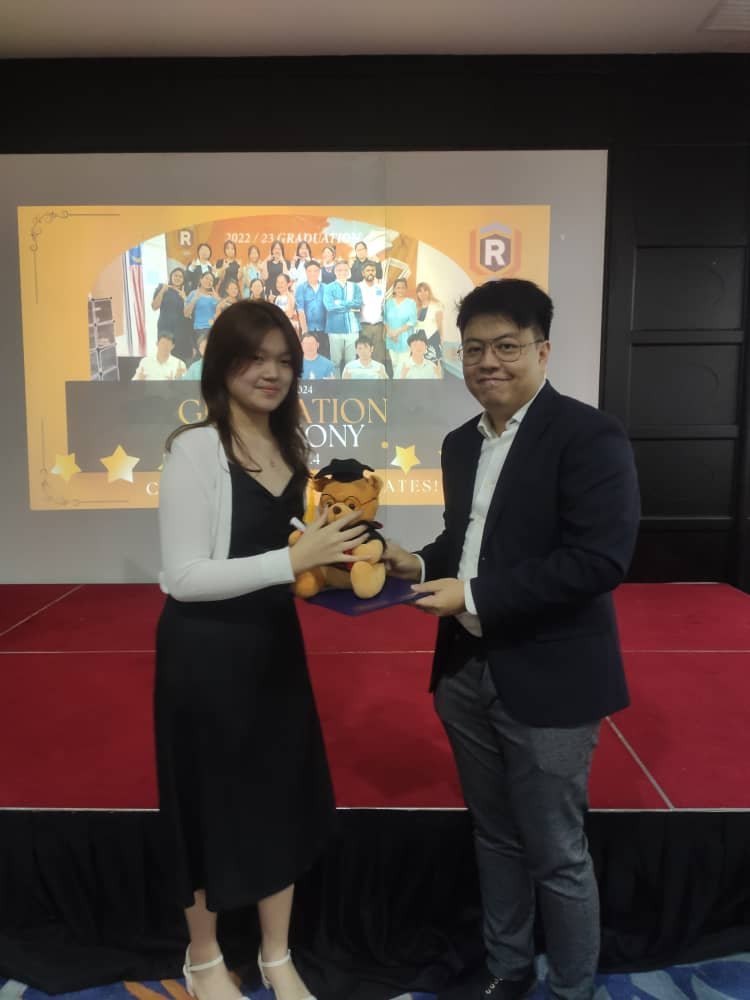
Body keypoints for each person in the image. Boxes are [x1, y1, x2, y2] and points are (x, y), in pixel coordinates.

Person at [384, 278, 640, 1000]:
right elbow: (467, 542)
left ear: (542, 350)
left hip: (551, 675)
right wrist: (416, 563)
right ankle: (507, 968)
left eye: (506, 346)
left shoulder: (589, 436)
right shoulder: (460, 444)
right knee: (494, 835)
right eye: (474, 349)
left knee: (556, 852)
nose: (488, 362)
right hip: (464, 670)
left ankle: (572, 990)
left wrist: (471, 595)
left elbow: (599, 560)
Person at [156, 299, 369, 1000]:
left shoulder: (291, 450)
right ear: (223, 366)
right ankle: (204, 959)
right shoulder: (195, 449)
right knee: (206, 804)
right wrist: (292, 561)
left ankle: (277, 956)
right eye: (255, 358)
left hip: (274, 649)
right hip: (205, 657)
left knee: (281, 798)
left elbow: (291, 566)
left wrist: (342, 571)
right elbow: (183, 578)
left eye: (284, 361)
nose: (271, 373)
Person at [323, 259, 362, 375]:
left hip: (352, 328)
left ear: (349, 271)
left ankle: (349, 384)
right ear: (335, 272)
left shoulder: (355, 287)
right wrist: (349, 305)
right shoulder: (329, 287)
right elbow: (329, 306)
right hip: (335, 328)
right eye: (339, 270)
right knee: (335, 361)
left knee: (351, 360)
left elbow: (358, 304)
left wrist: (339, 302)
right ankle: (337, 385)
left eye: (345, 270)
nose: (342, 272)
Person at [151, 267, 194, 365]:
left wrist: (185, 298)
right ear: (171, 276)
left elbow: (189, 313)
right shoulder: (162, 287)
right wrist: (162, 291)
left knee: (180, 357)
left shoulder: (187, 292)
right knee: (164, 354)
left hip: (181, 329)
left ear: (183, 280)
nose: (177, 278)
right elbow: (154, 306)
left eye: (180, 276)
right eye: (175, 275)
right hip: (165, 327)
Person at [295, 260, 329, 358]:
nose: (313, 273)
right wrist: (305, 331)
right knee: (308, 357)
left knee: (324, 356)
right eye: (310, 271)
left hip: (324, 329)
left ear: (319, 272)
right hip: (308, 329)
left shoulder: (326, 287)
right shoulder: (300, 288)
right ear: (306, 272)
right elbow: (300, 310)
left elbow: (329, 309)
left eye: (315, 271)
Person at [358, 262, 389, 372]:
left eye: (373, 270)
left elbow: (384, 306)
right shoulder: (358, 287)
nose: (370, 272)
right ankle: (366, 376)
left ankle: (378, 377)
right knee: (364, 354)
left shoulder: (381, 287)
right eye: (368, 270)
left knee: (378, 355)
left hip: (378, 327)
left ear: (375, 272)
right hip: (364, 327)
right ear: (363, 273)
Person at [383, 277, 416, 375]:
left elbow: (412, 321)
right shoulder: (388, 303)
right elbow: (385, 319)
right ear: (394, 289)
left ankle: (401, 382)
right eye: (398, 287)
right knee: (394, 363)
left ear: (406, 289)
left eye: (403, 287)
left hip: (404, 338)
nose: (400, 290)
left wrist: (397, 332)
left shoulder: (411, 303)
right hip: (391, 337)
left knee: (403, 364)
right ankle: (396, 381)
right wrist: (390, 332)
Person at [184, 271, 220, 344]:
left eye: (211, 280)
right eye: (207, 278)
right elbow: (186, 314)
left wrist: (218, 299)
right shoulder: (193, 293)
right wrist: (195, 299)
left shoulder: (214, 295)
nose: (209, 281)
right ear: (200, 279)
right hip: (201, 329)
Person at [414, 281, 444, 363]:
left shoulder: (437, 305)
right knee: (421, 364)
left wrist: (441, 338)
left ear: (429, 292)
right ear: (417, 294)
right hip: (419, 339)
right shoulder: (417, 307)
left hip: (432, 338)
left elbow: (439, 323)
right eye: (420, 291)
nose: (422, 293)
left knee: (433, 364)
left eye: (425, 290)